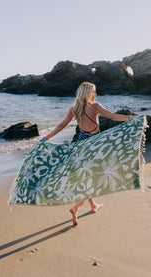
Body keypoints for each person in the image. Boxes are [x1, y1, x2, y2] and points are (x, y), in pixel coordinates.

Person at [43, 82, 137, 226]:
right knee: (93, 179)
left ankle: (93, 206)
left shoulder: (75, 108)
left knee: (87, 176)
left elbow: (62, 125)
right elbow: (112, 117)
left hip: (81, 142)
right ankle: (76, 208)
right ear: (88, 93)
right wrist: (131, 118)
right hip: (94, 143)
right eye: (94, 92)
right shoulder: (95, 106)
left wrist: (48, 137)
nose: (96, 94)